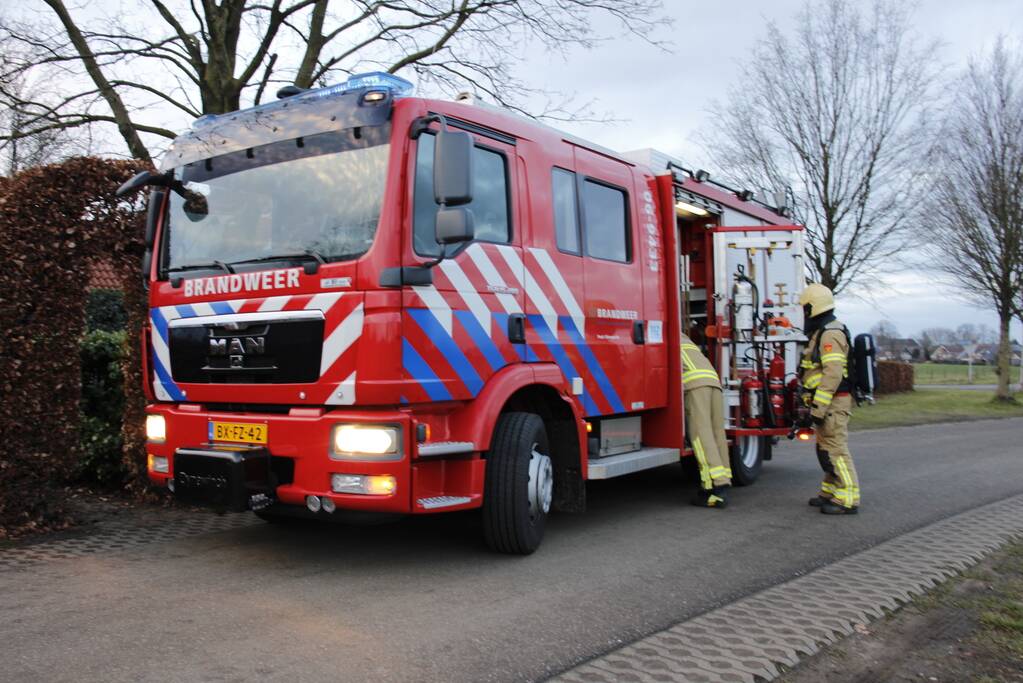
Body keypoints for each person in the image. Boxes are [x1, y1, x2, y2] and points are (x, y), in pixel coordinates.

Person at [798, 283, 860, 515]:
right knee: (826, 449)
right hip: (828, 403)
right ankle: (830, 491)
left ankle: (848, 498)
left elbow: (832, 373)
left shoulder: (830, 333)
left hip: (833, 402)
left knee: (836, 449)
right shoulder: (822, 331)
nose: (804, 314)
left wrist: (818, 406)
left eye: (806, 309)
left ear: (814, 307)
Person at [681, 333, 732, 507]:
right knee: (717, 432)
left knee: (700, 434)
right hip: (713, 382)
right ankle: (724, 477)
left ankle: (714, 487)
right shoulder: (685, 338)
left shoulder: (666, 335)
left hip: (695, 385)